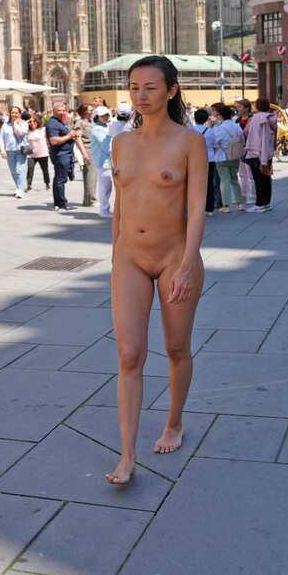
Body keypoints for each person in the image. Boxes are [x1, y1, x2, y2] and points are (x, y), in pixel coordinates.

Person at [105, 55, 207, 485]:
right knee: (129, 354)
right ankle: (127, 455)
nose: (140, 95)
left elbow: (197, 208)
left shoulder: (190, 142)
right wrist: (115, 255)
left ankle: (174, 421)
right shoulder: (120, 143)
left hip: (174, 258)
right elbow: (120, 205)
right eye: (134, 87)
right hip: (129, 257)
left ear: (171, 90)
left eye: (149, 87)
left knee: (176, 348)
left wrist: (187, 264)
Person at [46, 101, 82, 212]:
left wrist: (72, 135)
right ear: (53, 111)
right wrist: (69, 136)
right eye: (59, 110)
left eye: (63, 110)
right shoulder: (52, 124)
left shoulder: (59, 122)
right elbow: (53, 141)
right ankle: (62, 204)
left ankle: (58, 203)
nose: (62, 112)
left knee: (58, 178)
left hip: (65, 154)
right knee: (61, 179)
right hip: (60, 155)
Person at [243, 98, 277, 213]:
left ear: (257, 106)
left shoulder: (256, 118)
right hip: (268, 152)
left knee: (258, 179)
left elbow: (248, 133)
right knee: (266, 178)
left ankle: (259, 204)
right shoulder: (271, 117)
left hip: (256, 151)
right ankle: (266, 203)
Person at [212, 102, 244, 213]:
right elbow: (242, 139)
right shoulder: (237, 126)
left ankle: (226, 205)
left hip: (222, 157)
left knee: (224, 180)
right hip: (235, 156)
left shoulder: (219, 128)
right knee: (234, 179)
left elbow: (215, 143)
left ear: (220, 115)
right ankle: (240, 203)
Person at [0, 106, 30, 198]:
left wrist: (16, 124)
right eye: (12, 113)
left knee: (19, 170)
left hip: (20, 150)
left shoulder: (24, 124)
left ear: (20, 114)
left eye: (16, 113)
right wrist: (2, 150)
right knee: (13, 171)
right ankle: (18, 187)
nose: (14, 114)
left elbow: (20, 133)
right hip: (9, 150)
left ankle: (20, 190)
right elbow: (2, 138)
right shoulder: (5, 124)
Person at [90, 105, 113, 217]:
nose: (105, 117)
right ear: (97, 117)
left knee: (107, 186)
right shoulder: (97, 129)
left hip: (107, 161)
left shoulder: (106, 126)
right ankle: (104, 210)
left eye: (106, 115)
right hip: (103, 162)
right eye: (102, 116)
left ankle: (105, 209)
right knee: (105, 187)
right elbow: (105, 146)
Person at [234, 98, 255, 207]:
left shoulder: (253, 119)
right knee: (241, 174)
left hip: (250, 147)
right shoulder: (237, 120)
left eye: (240, 107)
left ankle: (252, 196)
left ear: (247, 108)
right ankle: (243, 194)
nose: (237, 109)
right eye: (237, 107)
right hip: (240, 148)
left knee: (250, 174)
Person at [75, 104, 97, 207]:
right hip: (87, 150)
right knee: (89, 175)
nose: (92, 111)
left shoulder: (91, 121)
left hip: (94, 149)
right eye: (90, 110)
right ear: (84, 111)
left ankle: (89, 199)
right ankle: (90, 200)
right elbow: (77, 138)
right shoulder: (80, 122)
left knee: (93, 175)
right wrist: (83, 153)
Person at [26, 115, 51, 191]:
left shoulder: (43, 129)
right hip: (31, 155)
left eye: (34, 121)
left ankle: (47, 183)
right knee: (30, 169)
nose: (32, 123)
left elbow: (49, 138)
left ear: (37, 122)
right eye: (30, 121)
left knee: (45, 170)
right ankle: (29, 185)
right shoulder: (27, 131)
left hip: (43, 154)